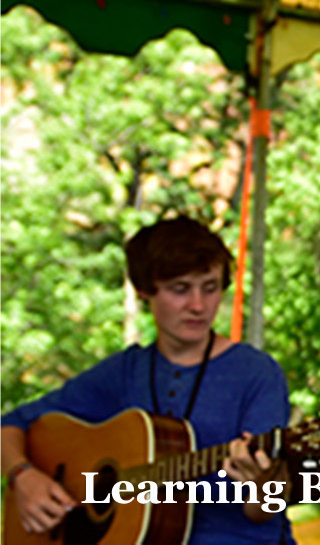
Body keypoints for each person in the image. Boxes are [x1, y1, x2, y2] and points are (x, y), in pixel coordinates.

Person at [1, 216, 296, 543]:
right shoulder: (124, 373)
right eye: (180, 290)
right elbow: (10, 426)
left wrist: (262, 482)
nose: (198, 306)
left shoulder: (256, 374)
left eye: (210, 288)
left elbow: (262, 509)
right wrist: (22, 476)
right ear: (144, 291)